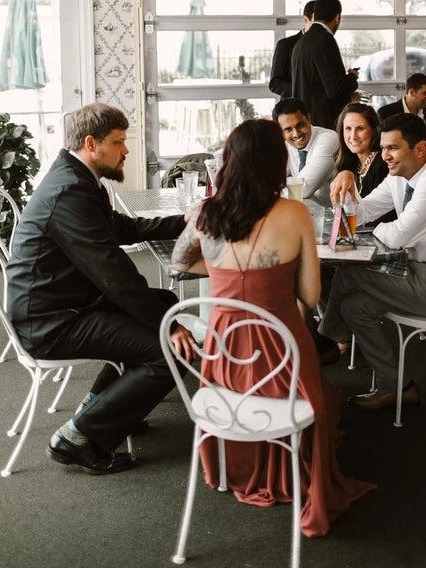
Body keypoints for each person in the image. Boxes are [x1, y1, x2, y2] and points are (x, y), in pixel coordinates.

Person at [170, 118, 376, 538]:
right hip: (282, 359)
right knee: (323, 393)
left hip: (224, 363)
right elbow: (312, 296)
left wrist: (219, 268)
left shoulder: (203, 213)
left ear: (228, 161)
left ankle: (235, 459)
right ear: (277, 163)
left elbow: (178, 264)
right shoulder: (295, 213)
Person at [6, 103, 196, 475]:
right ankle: (77, 437)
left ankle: (100, 403)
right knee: (169, 350)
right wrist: (170, 327)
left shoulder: (76, 177)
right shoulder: (71, 191)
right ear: (92, 143)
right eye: (119, 142)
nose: (126, 150)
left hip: (64, 305)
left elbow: (120, 229)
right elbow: (114, 275)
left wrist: (184, 221)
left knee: (164, 300)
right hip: (50, 322)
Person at [320, 113, 426, 410]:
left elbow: (397, 236)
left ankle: (325, 346)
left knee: (348, 275)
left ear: (420, 149)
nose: (385, 155)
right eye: (383, 147)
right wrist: (346, 181)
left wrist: (380, 230)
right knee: (354, 307)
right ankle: (398, 386)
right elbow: (366, 210)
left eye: (393, 148)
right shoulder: (399, 174)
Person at [292, 0, 359, 130]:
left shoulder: (301, 42)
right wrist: (352, 77)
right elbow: (335, 90)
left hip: (306, 119)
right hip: (324, 123)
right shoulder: (325, 39)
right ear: (337, 18)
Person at [272, 97, 337, 207]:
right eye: (288, 129)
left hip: (332, 217)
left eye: (300, 125)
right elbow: (272, 177)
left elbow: (303, 189)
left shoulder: (328, 139)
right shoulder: (286, 144)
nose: (296, 134)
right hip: (304, 211)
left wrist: (270, 190)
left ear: (309, 118)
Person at [268, 1, 315, 99]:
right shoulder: (285, 45)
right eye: (317, 23)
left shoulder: (326, 47)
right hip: (292, 110)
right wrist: (303, 91)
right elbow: (275, 83)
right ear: (306, 20)